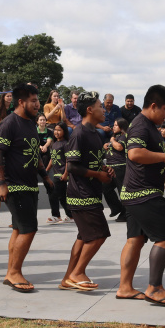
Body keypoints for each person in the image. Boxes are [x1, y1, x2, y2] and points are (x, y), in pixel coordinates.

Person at [116, 84, 165, 305]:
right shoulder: (141, 125)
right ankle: (154, 288)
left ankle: (125, 287)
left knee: (135, 239)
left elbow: (145, 152)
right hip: (144, 193)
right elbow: (135, 153)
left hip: (134, 192)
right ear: (153, 106)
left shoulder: (147, 126)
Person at [0, 83, 55, 292]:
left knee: (19, 229)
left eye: (38, 100)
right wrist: (1, 183)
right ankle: (14, 273)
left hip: (29, 185)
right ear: (21, 102)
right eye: (33, 101)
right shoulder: (9, 124)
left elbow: (34, 153)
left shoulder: (30, 124)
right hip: (15, 186)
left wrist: (45, 176)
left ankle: (11, 271)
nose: (37, 105)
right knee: (29, 229)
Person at [59, 91, 114, 291]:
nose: (103, 110)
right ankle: (78, 272)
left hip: (90, 191)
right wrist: (98, 175)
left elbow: (93, 161)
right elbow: (72, 166)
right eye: (100, 106)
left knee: (84, 237)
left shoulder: (95, 134)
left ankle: (67, 278)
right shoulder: (79, 133)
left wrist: (103, 169)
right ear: (90, 110)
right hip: (81, 193)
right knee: (99, 234)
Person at [46, 123, 73, 224]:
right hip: (56, 173)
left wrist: (66, 174)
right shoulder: (54, 143)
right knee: (62, 197)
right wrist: (46, 170)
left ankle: (56, 215)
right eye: (55, 130)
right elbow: (52, 159)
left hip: (61, 174)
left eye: (59, 130)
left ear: (64, 132)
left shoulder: (66, 144)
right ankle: (70, 216)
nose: (56, 132)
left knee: (52, 194)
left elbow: (68, 160)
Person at [103, 118, 129, 223]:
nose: (113, 127)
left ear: (122, 127)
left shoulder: (124, 136)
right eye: (113, 125)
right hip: (110, 167)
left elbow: (119, 147)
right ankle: (117, 207)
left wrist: (112, 141)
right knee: (105, 188)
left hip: (120, 167)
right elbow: (111, 146)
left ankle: (125, 213)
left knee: (122, 191)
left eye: (116, 125)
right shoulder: (115, 136)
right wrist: (107, 145)